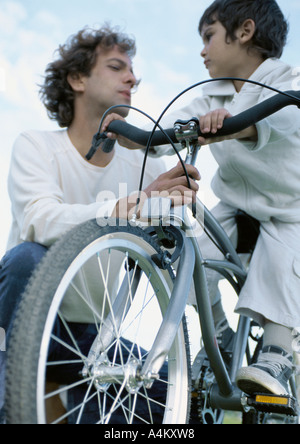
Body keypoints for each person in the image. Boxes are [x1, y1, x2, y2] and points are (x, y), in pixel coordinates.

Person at [0, 25, 200, 424]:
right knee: (26, 257)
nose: (132, 79)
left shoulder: (145, 166)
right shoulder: (36, 146)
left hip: (93, 338)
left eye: (133, 73)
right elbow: (39, 219)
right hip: (26, 323)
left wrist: (170, 211)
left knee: (181, 401)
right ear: (77, 80)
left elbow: (164, 253)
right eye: (116, 67)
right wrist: (130, 205)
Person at [103, 0, 300, 398]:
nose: (202, 49)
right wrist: (136, 135)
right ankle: (222, 337)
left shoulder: (285, 79)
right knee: (191, 251)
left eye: (209, 36)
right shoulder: (211, 94)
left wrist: (235, 128)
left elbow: (283, 118)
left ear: (244, 32)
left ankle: (277, 354)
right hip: (237, 204)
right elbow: (173, 128)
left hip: (289, 208)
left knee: (283, 262)